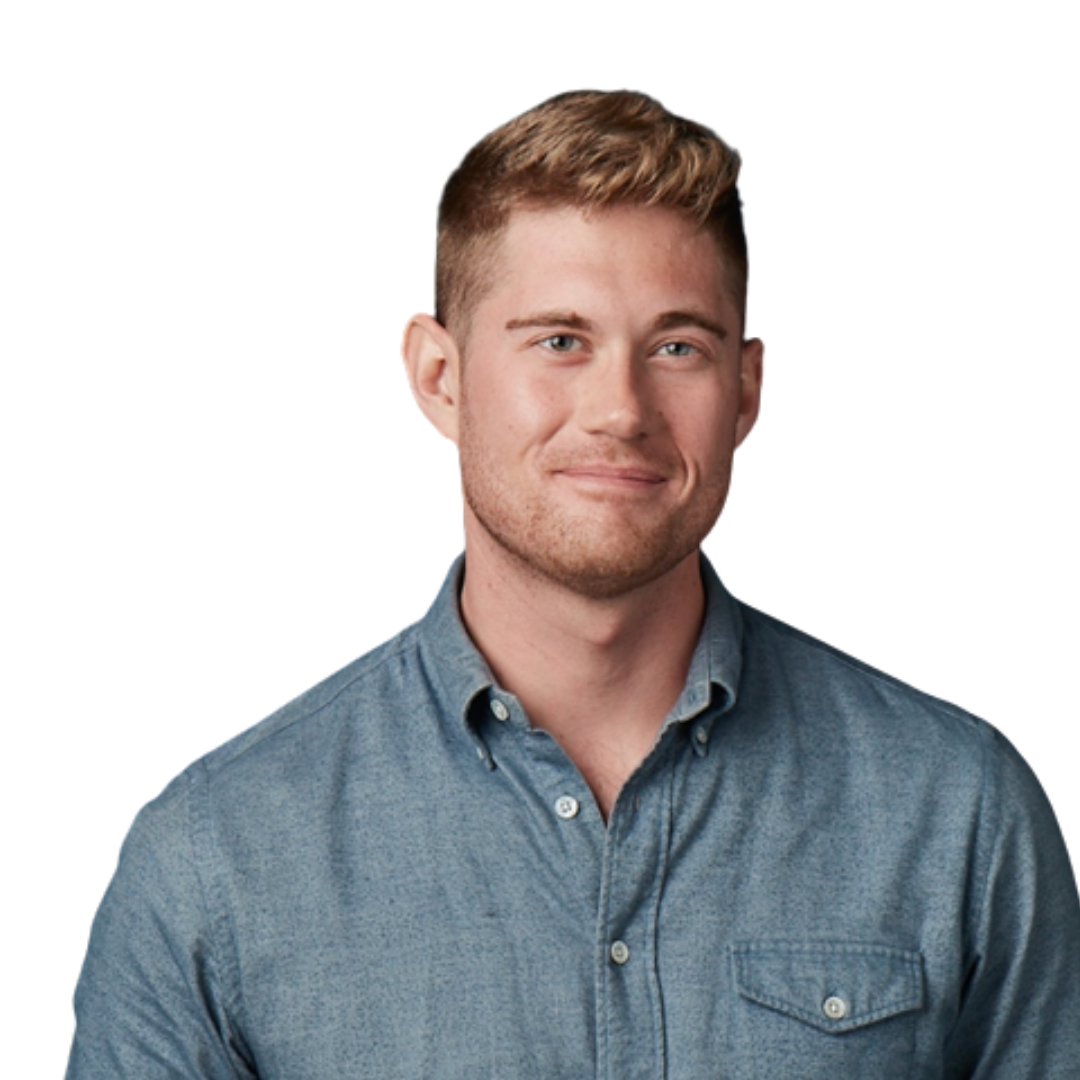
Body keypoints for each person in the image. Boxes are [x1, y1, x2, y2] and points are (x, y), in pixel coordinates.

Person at [66, 90, 1080, 1079]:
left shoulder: (957, 811)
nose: (620, 410)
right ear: (439, 375)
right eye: (560, 341)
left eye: (677, 346)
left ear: (745, 389)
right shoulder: (216, 860)